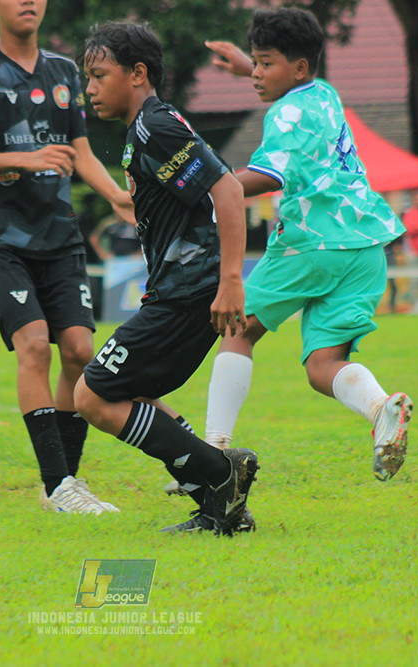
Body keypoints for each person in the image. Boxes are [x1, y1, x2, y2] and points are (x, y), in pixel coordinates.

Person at [202, 8, 412, 483]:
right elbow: (293, 110)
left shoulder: (286, 110)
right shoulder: (324, 95)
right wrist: (246, 67)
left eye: (265, 63)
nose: (257, 73)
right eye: (254, 62)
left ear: (297, 68)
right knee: (323, 366)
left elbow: (268, 174)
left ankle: (211, 454)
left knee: (236, 330)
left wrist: (208, 190)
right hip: (364, 246)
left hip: (311, 243)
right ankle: (382, 409)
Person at [74, 21, 258, 535]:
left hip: (189, 294)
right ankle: (221, 505)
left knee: (90, 396)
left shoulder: (157, 126)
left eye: (98, 75)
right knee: (129, 395)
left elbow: (226, 190)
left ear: (137, 74)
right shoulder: (146, 130)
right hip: (180, 292)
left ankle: (220, 474)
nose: (90, 88)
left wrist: (231, 281)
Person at [0, 0, 134, 515]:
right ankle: (58, 486)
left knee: (78, 350)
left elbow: (80, 150)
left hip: (59, 237)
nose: (29, 1)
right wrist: (25, 157)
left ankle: (64, 484)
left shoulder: (63, 71)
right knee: (35, 345)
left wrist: (117, 196)